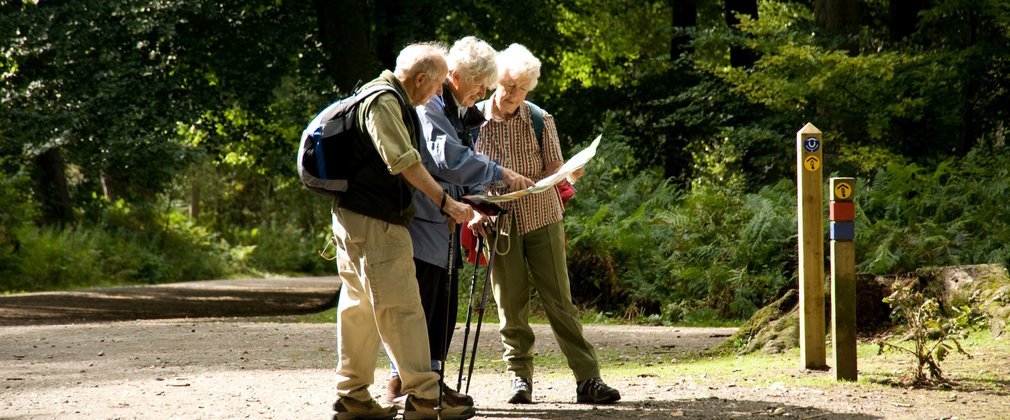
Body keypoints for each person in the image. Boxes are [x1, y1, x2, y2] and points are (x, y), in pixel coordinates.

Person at [329, 42, 476, 420]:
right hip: (376, 223)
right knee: (403, 309)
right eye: (439, 83)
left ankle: (353, 398)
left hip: (355, 218)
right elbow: (403, 161)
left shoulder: (375, 96)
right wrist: (447, 202)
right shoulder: (384, 101)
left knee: (360, 310)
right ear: (422, 78)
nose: (439, 92)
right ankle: (425, 398)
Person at [386, 36, 534, 406]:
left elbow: (457, 164)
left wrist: (476, 201)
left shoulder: (456, 108)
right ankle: (406, 383)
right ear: (455, 76)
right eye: (479, 84)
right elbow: (447, 158)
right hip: (425, 221)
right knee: (423, 302)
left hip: (445, 221)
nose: (482, 91)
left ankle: (432, 379)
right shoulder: (432, 105)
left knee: (444, 304)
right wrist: (500, 172)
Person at [470, 43, 621, 405]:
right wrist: (475, 210)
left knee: (560, 302)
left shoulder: (541, 119)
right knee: (511, 305)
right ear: (494, 82)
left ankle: (588, 379)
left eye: (521, 88)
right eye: (507, 85)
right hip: (499, 224)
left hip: (543, 217)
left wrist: (571, 169)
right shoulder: (471, 120)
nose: (513, 94)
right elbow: (462, 174)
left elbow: (554, 169)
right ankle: (519, 378)